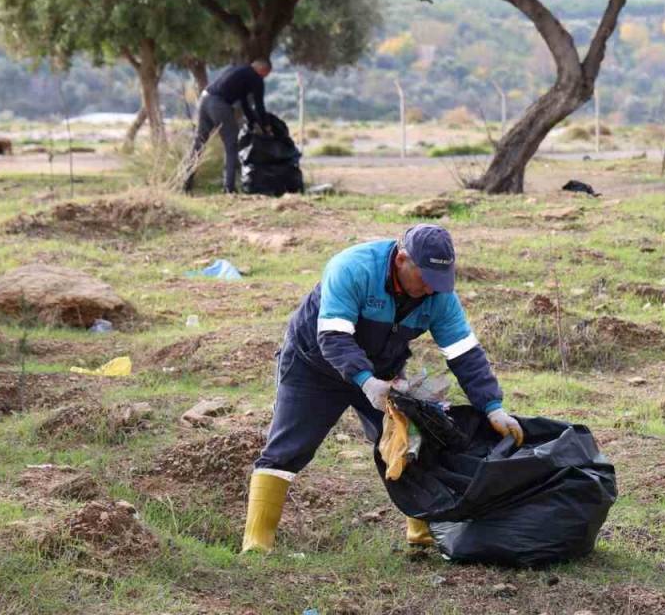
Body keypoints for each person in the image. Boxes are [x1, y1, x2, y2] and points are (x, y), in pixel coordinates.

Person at [241, 224, 524, 554]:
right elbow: (333, 336)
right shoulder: (352, 268)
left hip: (384, 373)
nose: (433, 290)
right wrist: (366, 382)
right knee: (287, 449)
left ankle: (422, 536)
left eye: (440, 281)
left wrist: (493, 406)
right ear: (403, 259)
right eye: (427, 280)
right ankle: (256, 545)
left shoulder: (439, 295)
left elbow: (464, 353)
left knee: (412, 443)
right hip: (314, 366)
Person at [185, 59, 272, 194]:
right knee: (231, 144)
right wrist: (266, 126)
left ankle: (185, 183)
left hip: (204, 99)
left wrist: (252, 121)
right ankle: (229, 188)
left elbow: (244, 103)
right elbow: (259, 105)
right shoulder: (256, 78)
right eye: (266, 75)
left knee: (199, 143)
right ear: (264, 70)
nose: (264, 78)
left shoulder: (238, 69)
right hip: (219, 104)